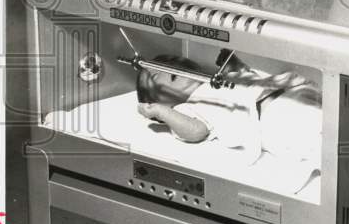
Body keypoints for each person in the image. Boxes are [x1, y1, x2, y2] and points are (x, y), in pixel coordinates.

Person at [136, 54, 321, 163]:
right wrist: (162, 112)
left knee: (335, 118)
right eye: (153, 77)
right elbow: (195, 131)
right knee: (322, 140)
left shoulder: (220, 80)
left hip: (291, 93)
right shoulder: (190, 107)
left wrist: (237, 66)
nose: (158, 71)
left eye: (163, 65)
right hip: (275, 121)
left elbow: (251, 80)